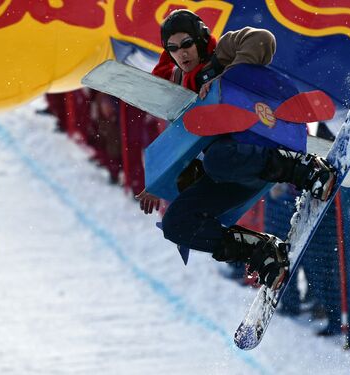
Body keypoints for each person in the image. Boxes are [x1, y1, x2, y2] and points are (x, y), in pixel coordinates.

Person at [135, 9, 337, 290]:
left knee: (217, 158)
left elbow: (262, 40)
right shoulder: (179, 84)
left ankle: (302, 168)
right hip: (229, 173)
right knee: (176, 224)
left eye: (186, 44)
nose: (181, 53)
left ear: (200, 39)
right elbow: (183, 143)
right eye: (173, 49)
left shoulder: (221, 54)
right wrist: (158, 181)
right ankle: (260, 250)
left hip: (255, 148)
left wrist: (228, 76)